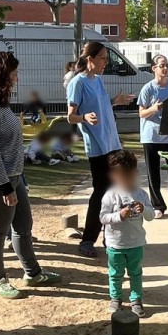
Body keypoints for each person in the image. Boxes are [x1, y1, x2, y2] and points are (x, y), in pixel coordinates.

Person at [0, 50, 60, 298]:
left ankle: (33, 273)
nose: (16, 78)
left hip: (12, 177)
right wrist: (4, 186)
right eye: (13, 73)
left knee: (24, 226)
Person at [66, 42, 134, 257]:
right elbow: (70, 116)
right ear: (90, 59)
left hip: (112, 144)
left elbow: (101, 107)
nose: (106, 62)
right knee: (101, 193)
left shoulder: (99, 80)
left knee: (114, 191)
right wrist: (84, 117)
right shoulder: (77, 83)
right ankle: (88, 240)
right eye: (103, 58)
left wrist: (115, 101)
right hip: (97, 146)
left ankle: (109, 237)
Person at [99, 150, 155, 316]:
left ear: (135, 173)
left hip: (136, 243)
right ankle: (116, 298)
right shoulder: (110, 195)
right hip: (115, 244)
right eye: (120, 176)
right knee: (115, 274)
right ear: (113, 176)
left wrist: (144, 209)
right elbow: (103, 217)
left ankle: (136, 299)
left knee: (135, 272)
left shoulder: (142, 194)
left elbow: (151, 216)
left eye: (128, 176)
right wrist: (119, 215)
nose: (125, 180)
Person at [137, 54, 168, 219]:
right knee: (153, 172)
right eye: (161, 65)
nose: (165, 68)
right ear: (154, 68)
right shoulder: (147, 89)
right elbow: (141, 113)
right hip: (151, 136)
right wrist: (154, 108)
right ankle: (158, 205)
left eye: (166, 65)